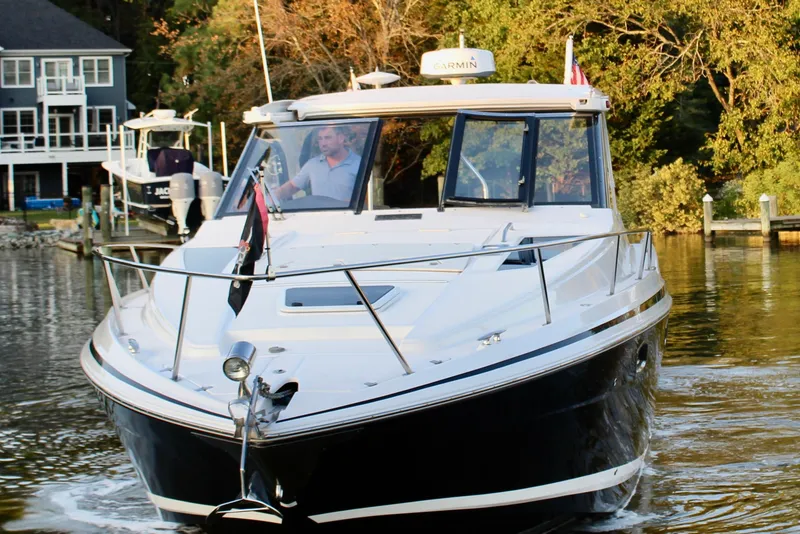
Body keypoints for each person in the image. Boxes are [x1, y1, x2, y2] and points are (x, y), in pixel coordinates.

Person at [274, 126, 361, 202]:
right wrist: (271, 199)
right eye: (320, 139)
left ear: (341, 138)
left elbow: (366, 199)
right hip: (317, 215)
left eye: (328, 138)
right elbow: (292, 186)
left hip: (348, 215)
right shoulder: (312, 164)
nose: (323, 144)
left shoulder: (359, 164)